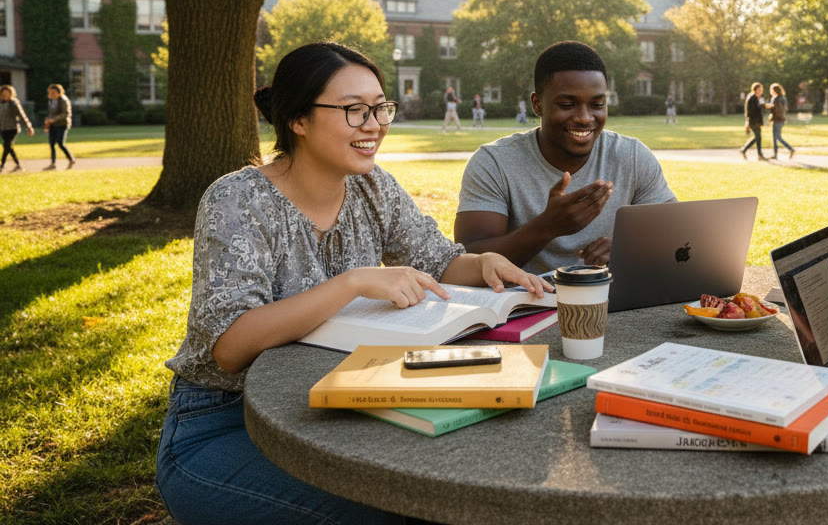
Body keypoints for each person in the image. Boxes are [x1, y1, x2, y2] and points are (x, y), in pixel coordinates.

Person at [155, 42, 548, 525]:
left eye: (380, 107)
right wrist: (353, 283)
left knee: (456, 490)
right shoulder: (238, 199)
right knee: (394, 514)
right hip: (222, 423)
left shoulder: (372, 186)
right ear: (297, 119)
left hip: (337, 406)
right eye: (354, 110)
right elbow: (230, 348)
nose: (376, 124)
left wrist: (485, 261)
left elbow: (441, 262)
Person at [455, 41, 676, 275]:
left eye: (597, 104)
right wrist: (547, 226)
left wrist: (629, 248)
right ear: (537, 104)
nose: (584, 117)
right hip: (526, 304)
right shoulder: (493, 163)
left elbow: (678, 233)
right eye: (567, 105)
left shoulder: (631, 156)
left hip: (610, 301)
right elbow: (470, 257)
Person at [1, 84, 35, 172]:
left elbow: (21, 115)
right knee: (8, 147)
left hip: (12, 128)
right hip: (3, 128)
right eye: (3, 93)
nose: (5, 95)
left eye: (7, 93)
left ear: (11, 94)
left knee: (7, 145)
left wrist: (28, 126)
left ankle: (2, 165)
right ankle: (18, 165)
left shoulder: (13, 103)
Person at [43, 83, 75, 170]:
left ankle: (71, 159)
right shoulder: (51, 101)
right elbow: (51, 113)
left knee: (60, 144)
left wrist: (54, 119)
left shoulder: (64, 100)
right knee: (52, 144)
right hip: (53, 125)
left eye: (54, 93)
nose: (52, 95)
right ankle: (53, 164)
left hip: (62, 124)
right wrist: (48, 120)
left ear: (59, 92)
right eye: (50, 93)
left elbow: (66, 113)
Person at [739, 82, 766, 161]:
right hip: (754, 121)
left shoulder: (754, 97)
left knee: (757, 137)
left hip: (754, 121)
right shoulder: (753, 98)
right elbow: (754, 110)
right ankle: (759, 155)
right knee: (758, 137)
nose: (762, 90)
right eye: (761, 89)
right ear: (757, 89)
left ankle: (744, 150)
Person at [768, 83, 794, 160]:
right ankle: (775, 154)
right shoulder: (783, 98)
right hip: (781, 119)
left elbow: (777, 109)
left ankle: (790, 149)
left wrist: (771, 107)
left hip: (777, 119)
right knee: (775, 137)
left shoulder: (776, 98)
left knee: (777, 137)